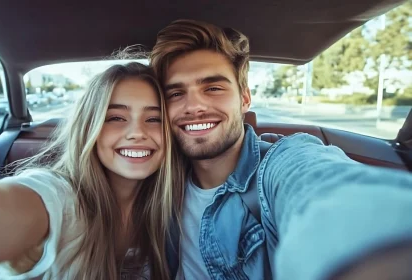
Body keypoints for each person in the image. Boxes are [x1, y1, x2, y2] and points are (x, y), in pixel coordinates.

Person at [150, 19, 412, 280]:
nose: (194, 106)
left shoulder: (281, 163)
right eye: (176, 94)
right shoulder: (158, 181)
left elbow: (324, 186)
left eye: (213, 88)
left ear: (244, 99)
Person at [0, 62, 185, 280]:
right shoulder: (60, 196)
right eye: (115, 118)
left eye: (154, 119)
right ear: (88, 128)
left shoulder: (171, 206)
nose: (137, 132)